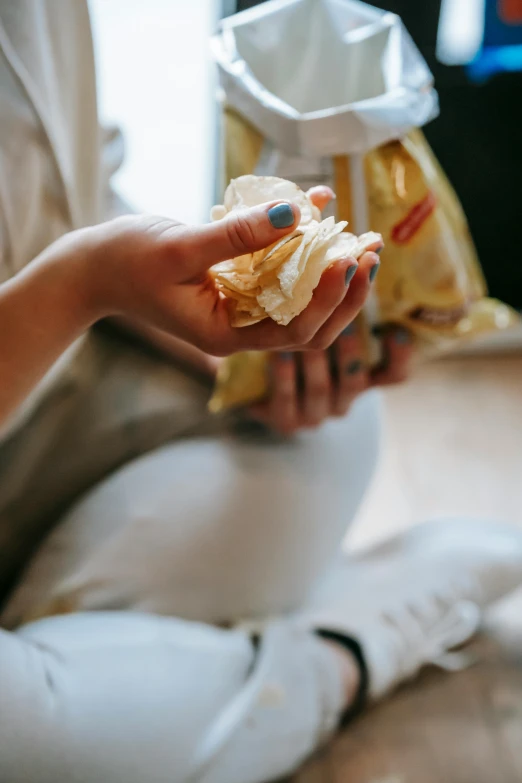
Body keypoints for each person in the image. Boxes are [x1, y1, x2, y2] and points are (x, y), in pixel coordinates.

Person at [1, 4, 522, 783]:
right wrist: (84, 280)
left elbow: (67, 196)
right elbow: (73, 266)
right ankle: (339, 653)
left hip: (42, 404)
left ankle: (109, 687)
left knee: (332, 425)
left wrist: (241, 352)